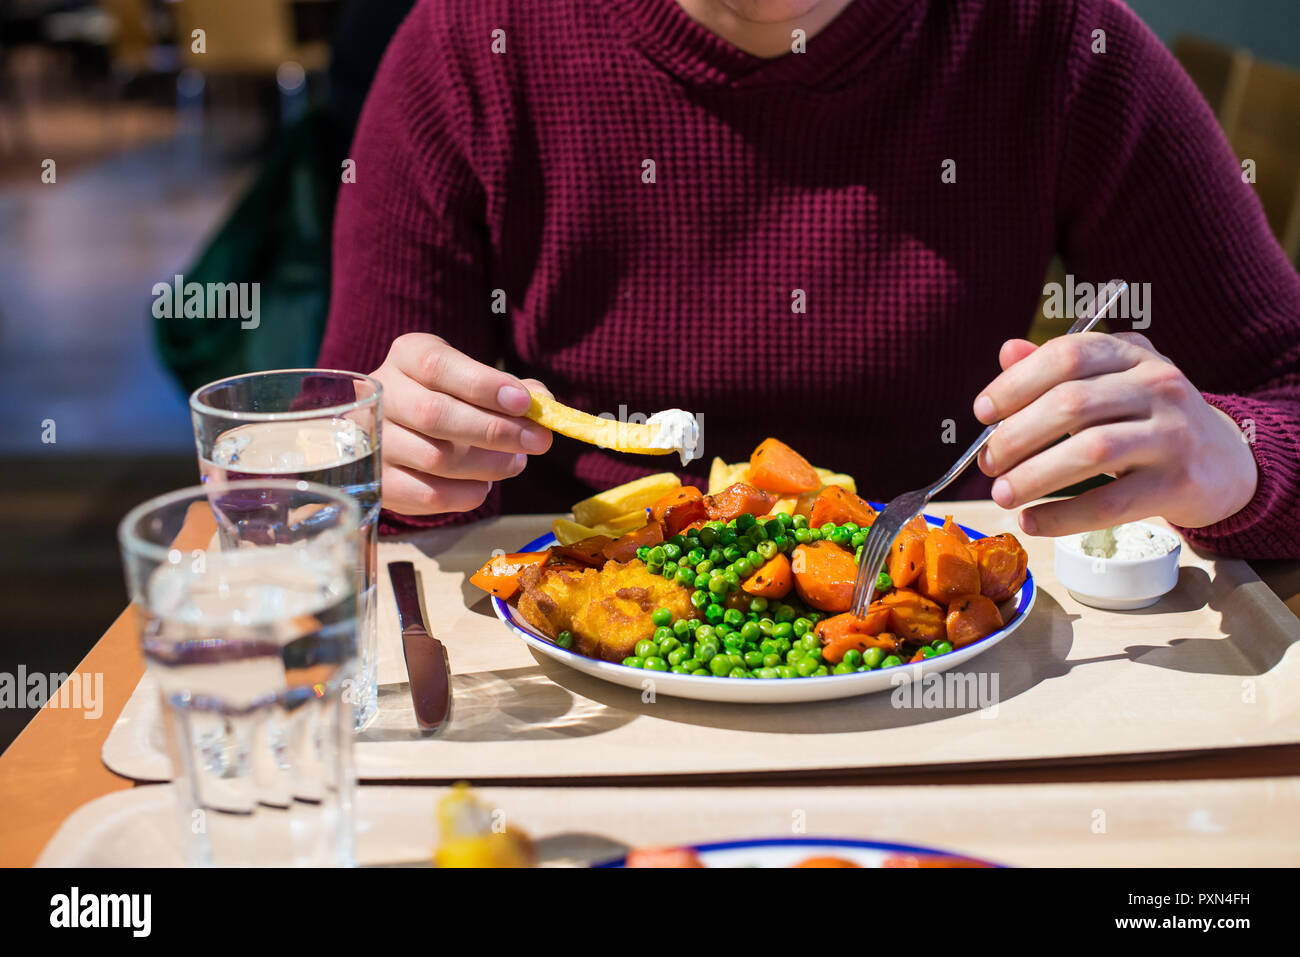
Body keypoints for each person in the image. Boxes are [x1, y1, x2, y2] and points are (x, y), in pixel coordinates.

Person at [318, 0, 1300, 559]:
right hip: (575, 687)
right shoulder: (471, 42)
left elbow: (1281, 393)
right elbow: (323, 483)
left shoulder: (1053, 39)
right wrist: (389, 466)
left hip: (948, 684)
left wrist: (1239, 459)